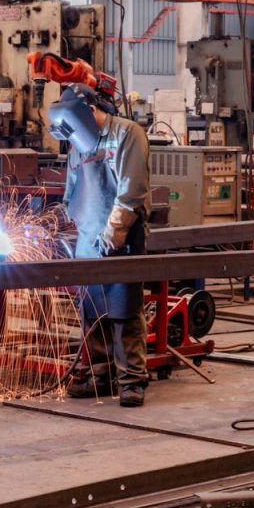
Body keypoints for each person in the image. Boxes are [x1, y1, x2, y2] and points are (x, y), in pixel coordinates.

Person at [48, 82, 151, 407]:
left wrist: (114, 234)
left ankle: (132, 380)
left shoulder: (128, 134)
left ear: (91, 110)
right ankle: (101, 375)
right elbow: (71, 191)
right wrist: (60, 223)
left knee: (124, 312)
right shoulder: (79, 141)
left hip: (122, 238)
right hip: (87, 240)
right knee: (92, 312)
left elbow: (131, 192)